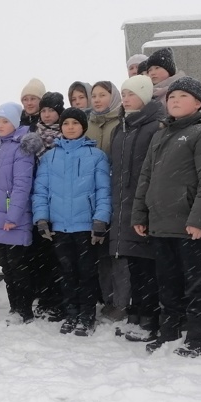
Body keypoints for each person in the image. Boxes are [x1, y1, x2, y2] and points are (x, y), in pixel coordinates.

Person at [132, 77, 201, 357]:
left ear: (198, 103)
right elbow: (146, 177)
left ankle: (197, 337)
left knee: (195, 284)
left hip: (189, 226)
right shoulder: (160, 134)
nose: (174, 100)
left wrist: (199, 220)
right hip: (161, 224)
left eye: (182, 96)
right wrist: (140, 212)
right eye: (171, 96)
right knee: (167, 284)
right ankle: (168, 333)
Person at [32, 107, 111, 336]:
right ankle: (71, 313)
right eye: (66, 124)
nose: (70, 127)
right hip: (60, 226)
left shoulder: (96, 156)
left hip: (86, 226)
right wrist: (42, 219)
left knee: (86, 272)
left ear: (83, 127)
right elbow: (41, 191)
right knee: (66, 272)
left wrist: (100, 220)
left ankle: (86, 315)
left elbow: (103, 191)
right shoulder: (50, 157)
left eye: (75, 123)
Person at [108, 76, 164, 341]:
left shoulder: (154, 126)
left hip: (144, 205)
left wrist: (146, 205)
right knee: (133, 264)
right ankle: (136, 312)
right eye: (123, 93)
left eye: (131, 93)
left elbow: (153, 170)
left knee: (148, 267)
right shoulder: (121, 127)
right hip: (124, 206)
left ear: (144, 95)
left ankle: (149, 317)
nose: (126, 97)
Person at [0, 102, 42, 323]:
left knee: (18, 267)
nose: (0, 125)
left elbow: (21, 185)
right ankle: (14, 307)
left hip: (12, 219)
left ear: (15, 122)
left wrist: (13, 217)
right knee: (6, 266)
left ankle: (24, 311)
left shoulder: (21, 148)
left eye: (5, 121)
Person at [86, 81, 129, 322]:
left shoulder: (121, 123)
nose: (98, 99)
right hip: (93, 197)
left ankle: (122, 302)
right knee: (101, 253)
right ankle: (107, 299)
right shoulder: (88, 125)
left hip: (118, 194)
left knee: (118, 254)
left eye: (103, 95)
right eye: (94, 95)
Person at [30, 92, 66, 319]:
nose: (47, 114)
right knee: (40, 255)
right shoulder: (32, 137)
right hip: (39, 199)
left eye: (52, 110)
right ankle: (45, 298)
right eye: (44, 110)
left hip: (62, 201)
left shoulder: (68, 136)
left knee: (59, 257)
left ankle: (60, 301)